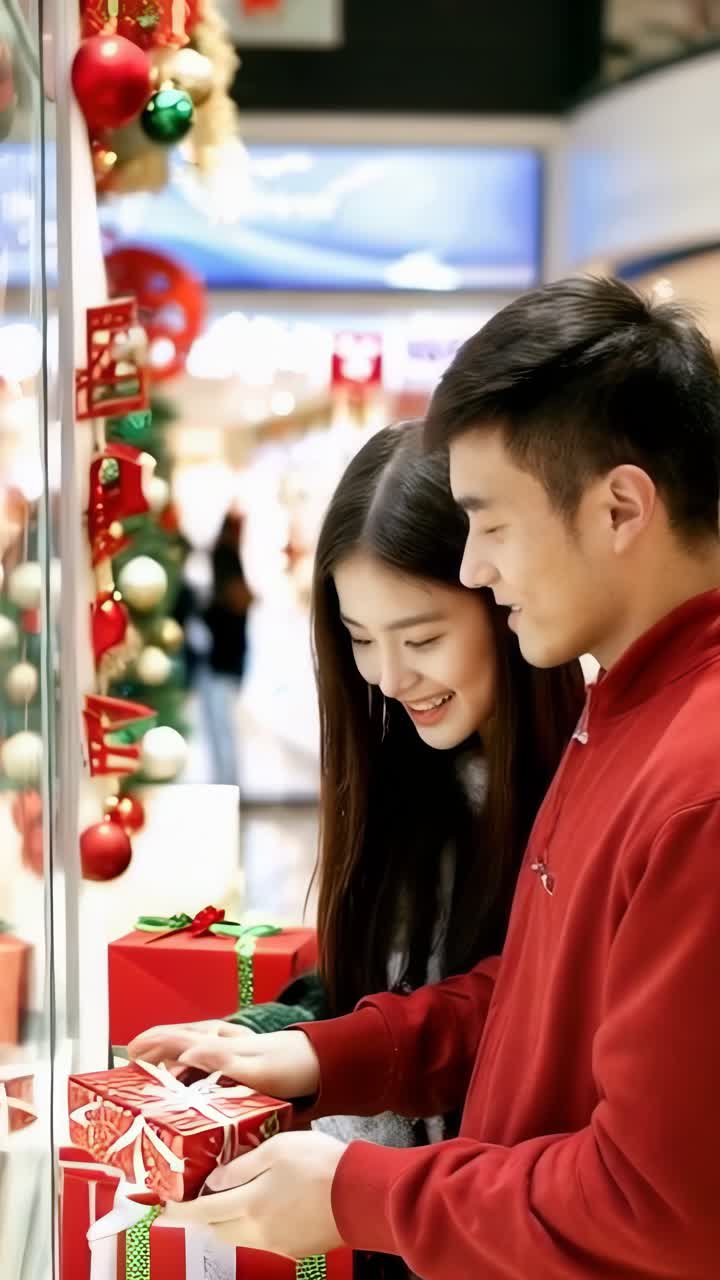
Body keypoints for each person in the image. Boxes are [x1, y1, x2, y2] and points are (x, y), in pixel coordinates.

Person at [134, 272, 720, 1277]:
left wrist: (362, 1193)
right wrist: (332, 1051)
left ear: (622, 505)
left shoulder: (696, 776)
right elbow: (535, 994)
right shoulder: (625, 711)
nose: (481, 570)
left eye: (492, 523)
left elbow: (656, 1201)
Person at [130, 421, 584, 1276]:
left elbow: (504, 1012)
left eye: (419, 638)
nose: (387, 675)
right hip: (387, 1223)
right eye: (359, 639)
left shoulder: (585, 786)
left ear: (506, 600)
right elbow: (376, 978)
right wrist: (261, 1037)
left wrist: (312, 1053)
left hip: (497, 1225)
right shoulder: (403, 765)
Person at [198, 511, 252, 786]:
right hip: (224, 663)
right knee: (222, 729)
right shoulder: (226, 561)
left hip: (223, 664)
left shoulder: (227, 564)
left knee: (222, 729)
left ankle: (228, 782)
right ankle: (227, 782)